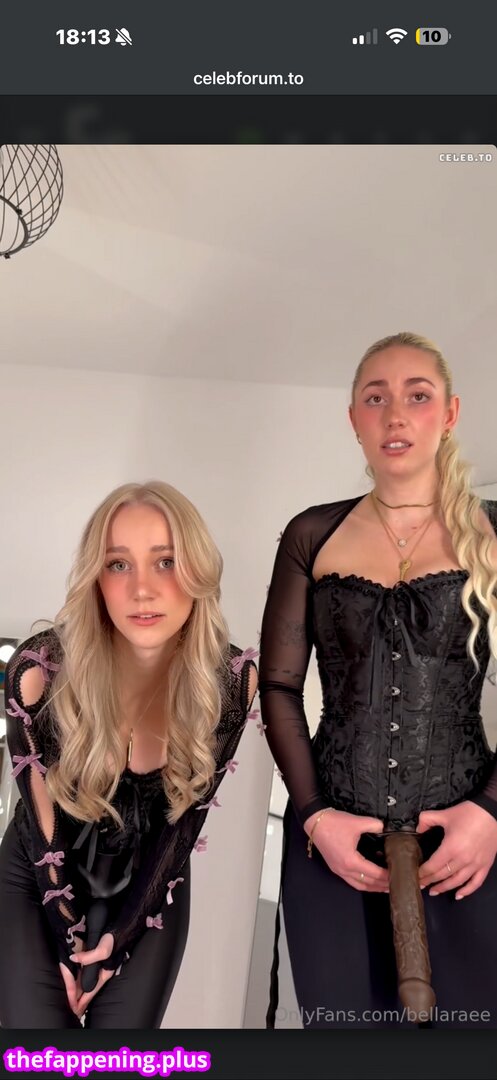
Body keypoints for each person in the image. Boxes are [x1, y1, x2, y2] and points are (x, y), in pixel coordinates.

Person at [259, 331, 497, 1029]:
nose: (394, 415)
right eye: (375, 398)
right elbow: (278, 686)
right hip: (333, 841)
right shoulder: (311, 533)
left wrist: (489, 811)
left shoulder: (492, 533)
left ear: (448, 413)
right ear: (353, 419)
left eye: (416, 396)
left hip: (468, 843)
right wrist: (315, 815)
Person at [0, 480, 257, 1029]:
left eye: (166, 562)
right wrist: (71, 942)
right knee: (40, 1059)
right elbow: (45, 837)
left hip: (151, 884)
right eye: (118, 565)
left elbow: (180, 831)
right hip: (38, 880)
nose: (142, 589)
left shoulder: (229, 682)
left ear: (197, 571)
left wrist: (120, 940)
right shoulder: (37, 673)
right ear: (96, 579)